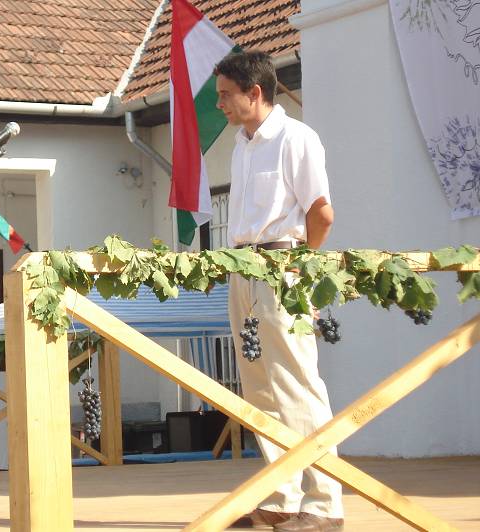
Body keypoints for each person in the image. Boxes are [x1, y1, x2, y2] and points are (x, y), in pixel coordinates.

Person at [214, 51, 343, 531]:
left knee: (297, 385)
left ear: (255, 92)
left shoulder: (296, 137)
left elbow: (321, 213)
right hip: (242, 268)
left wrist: (300, 268)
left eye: (226, 95)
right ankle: (282, 496)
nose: (220, 104)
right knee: (259, 388)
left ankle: (325, 505)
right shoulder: (241, 145)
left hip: (283, 265)